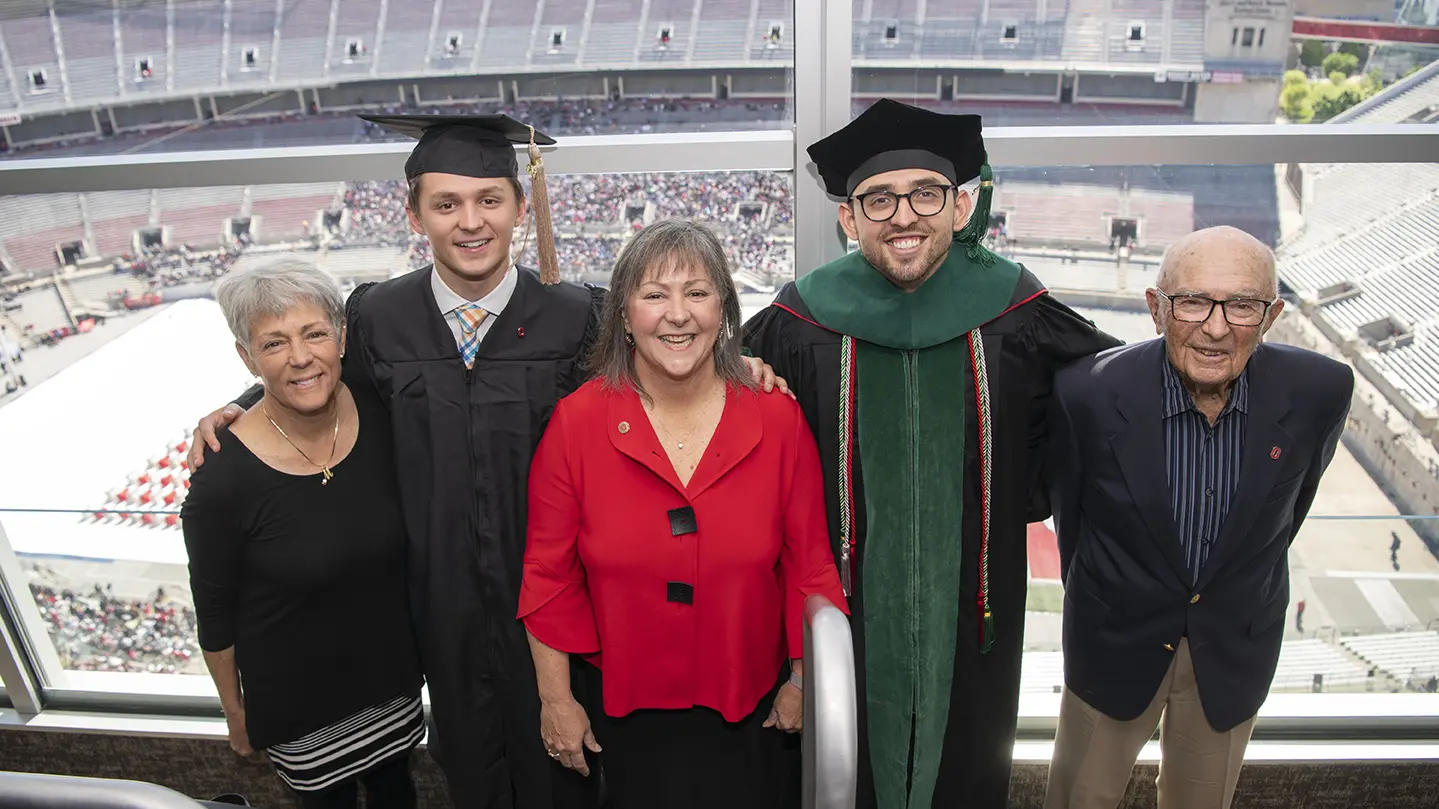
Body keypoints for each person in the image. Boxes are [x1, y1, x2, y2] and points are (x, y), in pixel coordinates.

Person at [188, 114, 784, 809]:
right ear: (414, 213)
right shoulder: (379, 316)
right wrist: (238, 404)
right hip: (437, 609)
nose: (470, 222)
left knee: (569, 775)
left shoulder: (576, 317)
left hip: (555, 607)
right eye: (445, 204)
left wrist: (727, 363)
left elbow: (660, 360)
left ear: (520, 208)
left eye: (489, 200)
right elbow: (313, 373)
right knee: (470, 772)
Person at [742, 98, 1122, 809]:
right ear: (848, 219)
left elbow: (1104, 406)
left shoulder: (1014, 308)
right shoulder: (802, 315)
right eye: (878, 199)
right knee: (839, 766)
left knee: (967, 768)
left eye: (925, 193)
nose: (904, 214)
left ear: (959, 205)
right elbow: (715, 402)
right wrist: (745, 375)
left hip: (974, 608)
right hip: (841, 606)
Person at [517, 219, 848, 808]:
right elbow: (548, 576)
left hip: (753, 708)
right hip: (621, 715)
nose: (678, 314)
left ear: (723, 309)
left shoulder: (777, 420)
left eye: (697, 292)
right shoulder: (577, 423)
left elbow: (810, 565)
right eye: (654, 295)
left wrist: (802, 680)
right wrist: (556, 700)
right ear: (623, 315)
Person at [1044, 226, 1354, 809]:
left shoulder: (1322, 389)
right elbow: (1071, 521)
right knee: (1077, 799)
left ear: (1272, 315)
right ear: (1157, 309)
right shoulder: (1083, 392)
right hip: (1112, 641)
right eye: (1192, 301)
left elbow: (1290, 510)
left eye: (1242, 305)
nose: (1216, 327)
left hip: (1233, 648)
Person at [182, 261, 423, 809]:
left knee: (397, 795)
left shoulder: (381, 405)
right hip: (299, 711)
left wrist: (237, 400)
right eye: (273, 343)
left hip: (391, 684)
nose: (299, 356)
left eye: (314, 333)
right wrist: (236, 714)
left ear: (341, 337)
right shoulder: (221, 479)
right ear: (246, 357)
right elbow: (214, 613)